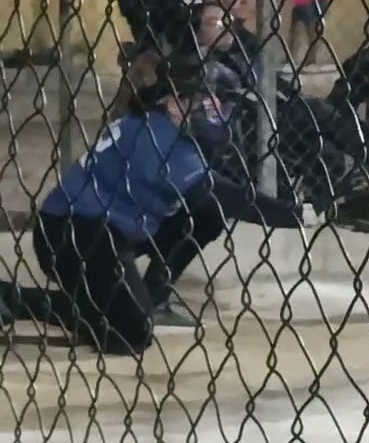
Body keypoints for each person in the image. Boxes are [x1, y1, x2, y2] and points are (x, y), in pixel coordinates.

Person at [0, 55, 315, 356]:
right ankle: (15, 300)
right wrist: (297, 214)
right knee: (130, 336)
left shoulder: (157, 125)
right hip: (74, 234)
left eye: (220, 101)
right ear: (175, 103)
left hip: (108, 228)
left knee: (207, 214)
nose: (217, 108)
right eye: (208, 100)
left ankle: (150, 298)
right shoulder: (158, 137)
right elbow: (231, 198)